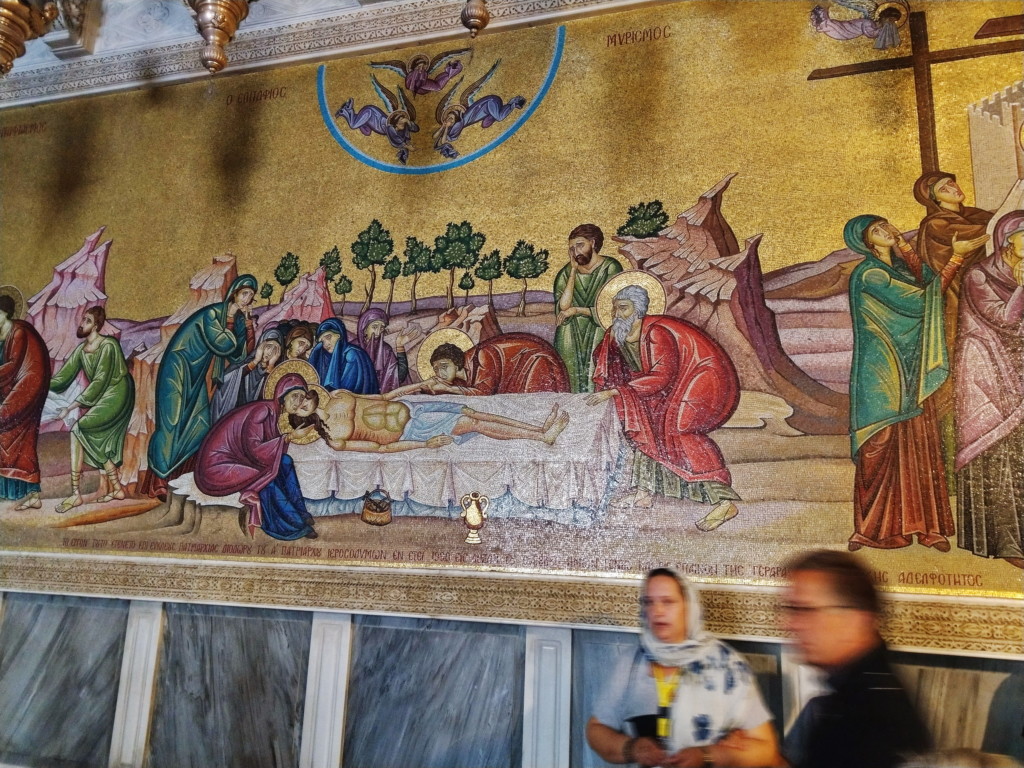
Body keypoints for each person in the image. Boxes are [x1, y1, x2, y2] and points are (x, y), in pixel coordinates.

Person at [844, 215, 985, 551]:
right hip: (882, 373)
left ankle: (927, 527)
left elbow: (927, 281)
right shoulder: (872, 273)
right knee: (881, 444)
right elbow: (924, 300)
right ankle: (873, 530)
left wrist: (906, 247)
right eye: (878, 230)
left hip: (910, 365)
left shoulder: (898, 269)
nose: (887, 231)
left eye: (887, 225)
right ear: (866, 242)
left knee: (920, 443)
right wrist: (957, 257)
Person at [586, 567, 781, 768]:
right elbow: (596, 729)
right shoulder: (631, 662)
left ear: (689, 607)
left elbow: (766, 749)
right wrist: (632, 748)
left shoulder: (727, 664)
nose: (657, 611)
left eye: (668, 602)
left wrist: (706, 756)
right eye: (649, 602)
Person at [588, 285, 741, 531]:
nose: (617, 314)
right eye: (615, 308)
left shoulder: (656, 333)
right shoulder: (618, 334)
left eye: (624, 308)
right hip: (662, 388)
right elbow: (612, 366)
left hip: (701, 377)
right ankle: (644, 492)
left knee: (681, 429)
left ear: (639, 310)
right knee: (646, 425)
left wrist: (617, 391)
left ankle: (725, 501)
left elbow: (661, 375)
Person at [782, 550, 931, 768]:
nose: (789, 624)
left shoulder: (874, 718)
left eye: (804, 609)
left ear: (855, 619)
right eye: (791, 609)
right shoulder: (855, 694)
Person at [144, 274, 257, 500]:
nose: (247, 299)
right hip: (178, 367)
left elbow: (239, 355)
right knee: (172, 420)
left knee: (199, 422)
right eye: (244, 293)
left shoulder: (234, 320)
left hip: (197, 374)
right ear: (234, 294)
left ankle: (179, 476)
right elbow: (222, 344)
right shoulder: (212, 314)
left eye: (251, 296)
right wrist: (236, 323)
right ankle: (158, 481)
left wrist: (247, 325)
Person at [954, 210, 1024, 569]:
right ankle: (1007, 541)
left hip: (1018, 366)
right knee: (1000, 449)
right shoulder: (979, 276)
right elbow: (1003, 320)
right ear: (1006, 242)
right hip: (988, 372)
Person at [195, 374, 318, 541]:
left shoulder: (274, 413)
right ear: (282, 395)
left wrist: (286, 439)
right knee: (267, 478)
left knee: (285, 461)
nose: (298, 402)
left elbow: (270, 453)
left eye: (301, 397)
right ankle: (293, 526)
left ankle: (301, 513)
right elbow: (254, 449)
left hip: (241, 461)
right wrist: (289, 437)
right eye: (294, 396)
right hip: (218, 467)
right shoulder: (263, 411)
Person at [913, 172, 994, 422]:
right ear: (935, 199)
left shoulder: (975, 215)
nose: (953, 188)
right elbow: (991, 230)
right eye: (944, 189)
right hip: (955, 299)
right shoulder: (936, 224)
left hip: (981, 291)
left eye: (951, 183)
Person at [290, 386, 570, 453]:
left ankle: (539, 428)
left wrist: (420, 385)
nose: (302, 404)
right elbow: (381, 448)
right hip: (412, 428)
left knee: (471, 412)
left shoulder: (339, 395)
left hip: (412, 407)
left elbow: (385, 397)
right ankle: (541, 437)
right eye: (298, 409)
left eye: (300, 398)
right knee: (473, 424)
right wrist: (425, 444)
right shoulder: (335, 440)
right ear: (302, 419)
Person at [49, 306, 135, 513]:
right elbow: (62, 379)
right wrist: (39, 381)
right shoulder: (81, 350)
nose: (81, 324)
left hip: (118, 392)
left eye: (87, 321)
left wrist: (70, 407)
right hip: (103, 395)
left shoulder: (108, 345)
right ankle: (117, 489)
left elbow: (100, 381)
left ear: (96, 325)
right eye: (82, 319)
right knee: (93, 439)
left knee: (78, 429)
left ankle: (75, 494)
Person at [553, 224, 623, 393]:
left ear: (592, 242)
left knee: (599, 344)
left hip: (599, 325)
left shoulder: (610, 267)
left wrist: (578, 311)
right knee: (566, 341)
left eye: (580, 245)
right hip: (572, 328)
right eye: (572, 248)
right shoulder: (566, 272)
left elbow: (609, 309)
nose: (576, 252)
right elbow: (564, 307)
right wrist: (573, 272)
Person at [0, 287, 51, 510]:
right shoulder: (2, 334)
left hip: (27, 388)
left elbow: (12, 367)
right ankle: (9, 490)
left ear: (5, 313)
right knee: (6, 436)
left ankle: (32, 493)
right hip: (10, 388)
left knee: (22, 437)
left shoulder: (19, 332)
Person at [394, 333, 569, 397]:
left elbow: (484, 393)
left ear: (456, 363)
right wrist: (426, 386)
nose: (440, 372)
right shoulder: (459, 378)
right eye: (436, 369)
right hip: (513, 376)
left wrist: (448, 388)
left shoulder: (482, 357)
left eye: (444, 366)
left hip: (533, 362)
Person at [210, 326, 283, 424]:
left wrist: (271, 366)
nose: (270, 353)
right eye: (268, 347)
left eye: (275, 350)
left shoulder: (273, 373)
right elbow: (226, 380)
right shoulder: (245, 362)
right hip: (235, 413)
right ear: (261, 346)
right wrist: (255, 361)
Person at [307, 317, 379, 394]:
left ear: (339, 335)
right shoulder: (325, 357)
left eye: (328, 337)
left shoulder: (351, 354)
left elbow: (346, 389)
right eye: (322, 341)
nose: (326, 344)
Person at [354, 308, 417, 392]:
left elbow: (398, 377)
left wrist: (400, 346)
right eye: (374, 327)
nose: (378, 332)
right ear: (364, 329)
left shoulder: (385, 349)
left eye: (382, 328)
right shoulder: (353, 348)